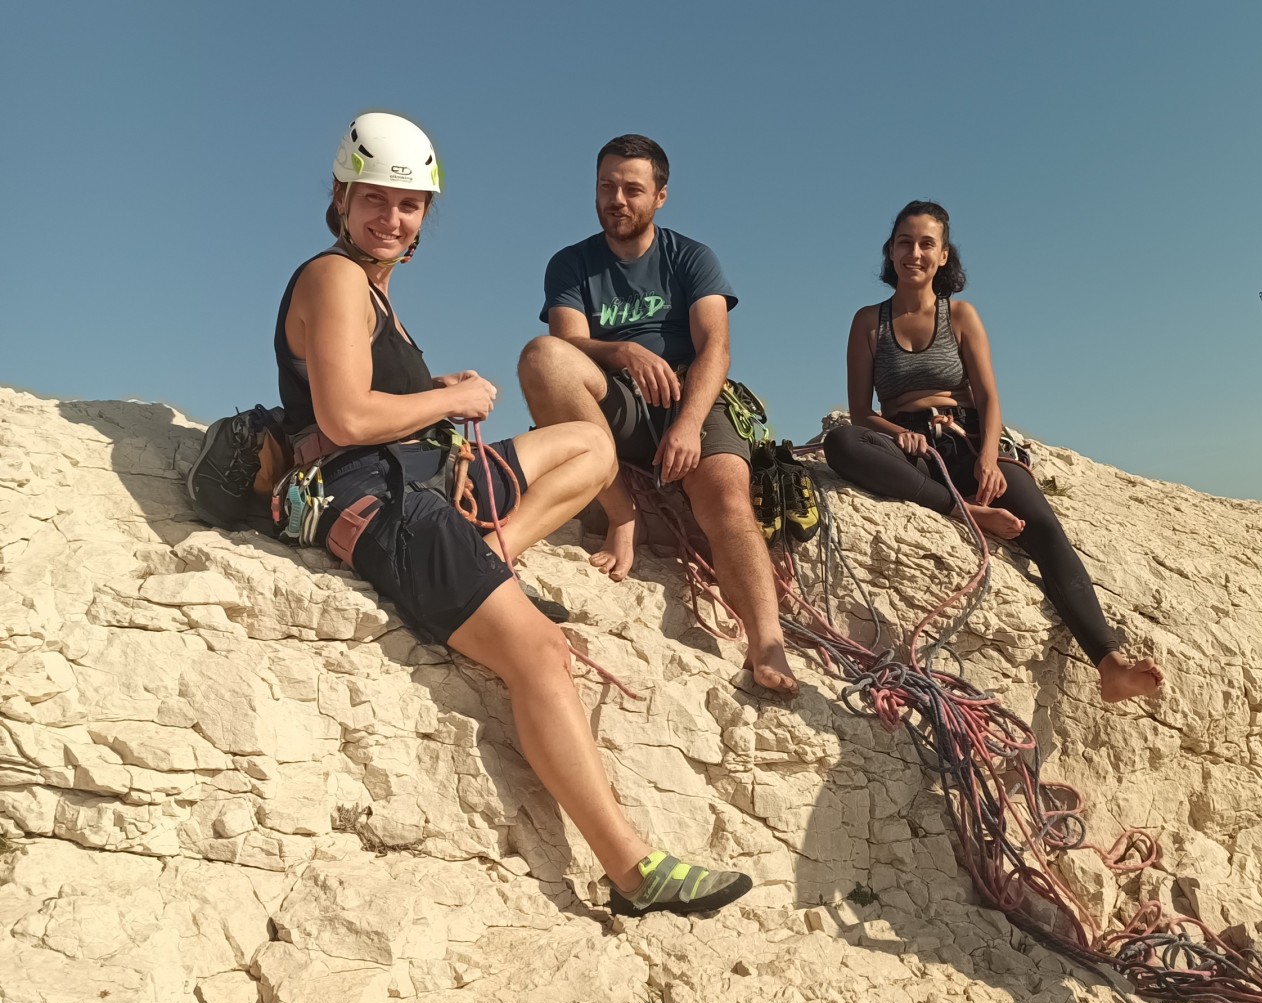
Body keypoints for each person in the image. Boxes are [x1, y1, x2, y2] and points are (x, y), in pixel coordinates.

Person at [259, 111, 750, 915]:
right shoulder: (336, 277)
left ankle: (497, 548)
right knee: (540, 652)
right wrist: (449, 401)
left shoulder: (373, 290)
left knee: (587, 449)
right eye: (375, 199)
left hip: (428, 476)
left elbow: (367, 394)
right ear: (342, 197)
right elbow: (344, 417)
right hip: (383, 504)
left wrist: (432, 392)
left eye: (409, 204)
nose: (392, 218)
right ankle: (633, 871)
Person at [822, 201, 1164, 704]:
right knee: (841, 443)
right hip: (911, 444)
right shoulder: (868, 322)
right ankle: (966, 512)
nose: (914, 252)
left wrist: (987, 457)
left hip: (967, 435)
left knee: (1041, 526)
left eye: (926, 244)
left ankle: (1110, 664)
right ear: (890, 251)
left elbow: (988, 398)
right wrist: (897, 433)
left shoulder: (960, 315)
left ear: (943, 255)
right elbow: (859, 413)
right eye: (904, 242)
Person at [518, 134, 799, 696]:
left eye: (632, 189)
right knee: (541, 356)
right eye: (606, 186)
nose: (616, 200)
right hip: (613, 400)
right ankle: (623, 513)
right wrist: (623, 350)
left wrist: (690, 424)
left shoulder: (691, 257)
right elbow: (567, 344)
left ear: (660, 196)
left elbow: (715, 346)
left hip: (688, 392)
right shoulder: (571, 264)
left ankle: (767, 643)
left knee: (726, 495)